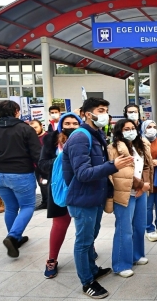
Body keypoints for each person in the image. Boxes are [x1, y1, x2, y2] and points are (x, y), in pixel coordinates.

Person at [63, 97, 133, 299]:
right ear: (87, 114)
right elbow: (83, 173)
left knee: (91, 236)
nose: (105, 114)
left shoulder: (97, 135)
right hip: (82, 198)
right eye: (100, 110)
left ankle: (92, 269)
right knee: (83, 241)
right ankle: (87, 282)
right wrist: (113, 166)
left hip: (94, 196)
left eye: (106, 110)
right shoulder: (80, 137)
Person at [0, 100, 42, 258]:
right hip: (21, 174)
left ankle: (16, 238)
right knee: (27, 206)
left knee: (10, 207)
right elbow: (37, 154)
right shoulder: (25, 129)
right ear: (16, 111)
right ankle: (13, 236)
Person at [106, 119, 153, 277]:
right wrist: (140, 185)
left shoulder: (140, 145)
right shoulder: (113, 148)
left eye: (133, 128)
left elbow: (147, 166)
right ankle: (121, 264)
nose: (131, 131)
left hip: (141, 192)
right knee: (124, 230)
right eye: (126, 128)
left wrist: (145, 184)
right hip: (124, 193)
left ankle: (136, 255)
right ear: (120, 131)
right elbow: (120, 171)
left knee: (140, 226)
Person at [38, 112, 82, 278]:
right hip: (59, 189)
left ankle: (88, 251)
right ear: (61, 125)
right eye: (67, 123)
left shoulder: (86, 139)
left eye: (74, 123)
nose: (71, 126)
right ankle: (52, 259)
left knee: (85, 223)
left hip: (81, 187)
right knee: (60, 224)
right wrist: (64, 160)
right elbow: (42, 164)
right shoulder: (50, 141)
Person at [29, 120, 49, 209]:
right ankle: (45, 202)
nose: (34, 130)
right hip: (35, 166)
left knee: (47, 184)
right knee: (42, 185)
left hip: (46, 165)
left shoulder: (48, 137)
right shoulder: (30, 138)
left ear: (41, 126)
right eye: (31, 128)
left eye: (36, 127)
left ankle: (50, 203)